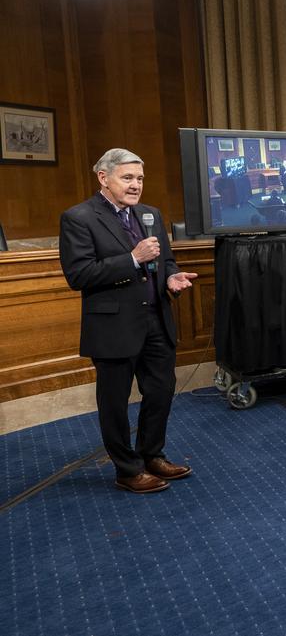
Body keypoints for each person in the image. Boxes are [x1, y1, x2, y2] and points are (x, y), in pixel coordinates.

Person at [58, 149, 198, 494]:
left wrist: (171, 277)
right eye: (128, 178)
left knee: (161, 392)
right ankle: (127, 469)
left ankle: (152, 454)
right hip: (113, 327)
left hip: (157, 320)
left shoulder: (150, 214)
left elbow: (166, 261)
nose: (136, 185)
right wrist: (132, 259)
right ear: (103, 178)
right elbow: (79, 275)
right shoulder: (79, 218)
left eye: (139, 179)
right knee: (115, 403)